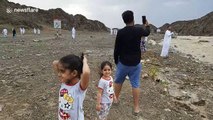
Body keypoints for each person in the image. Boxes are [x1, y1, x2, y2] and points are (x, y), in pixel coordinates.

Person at [113, 10, 150, 115]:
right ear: (133, 19)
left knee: (118, 82)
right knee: (135, 84)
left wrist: (117, 61)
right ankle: (136, 108)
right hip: (135, 63)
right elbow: (147, 33)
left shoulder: (120, 32)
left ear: (124, 20)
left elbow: (116, 49)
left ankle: (115, 99)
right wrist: (147, 25)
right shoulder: (138, 30)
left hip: (123, 63)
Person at [53, 54, 90, 120]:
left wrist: (84, 61)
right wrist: (65, 64)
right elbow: (54, 63)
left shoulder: (79, 87)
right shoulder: (65, 82)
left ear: (74, 73)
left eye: (62, 71)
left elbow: (86, 72)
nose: (58, 74)